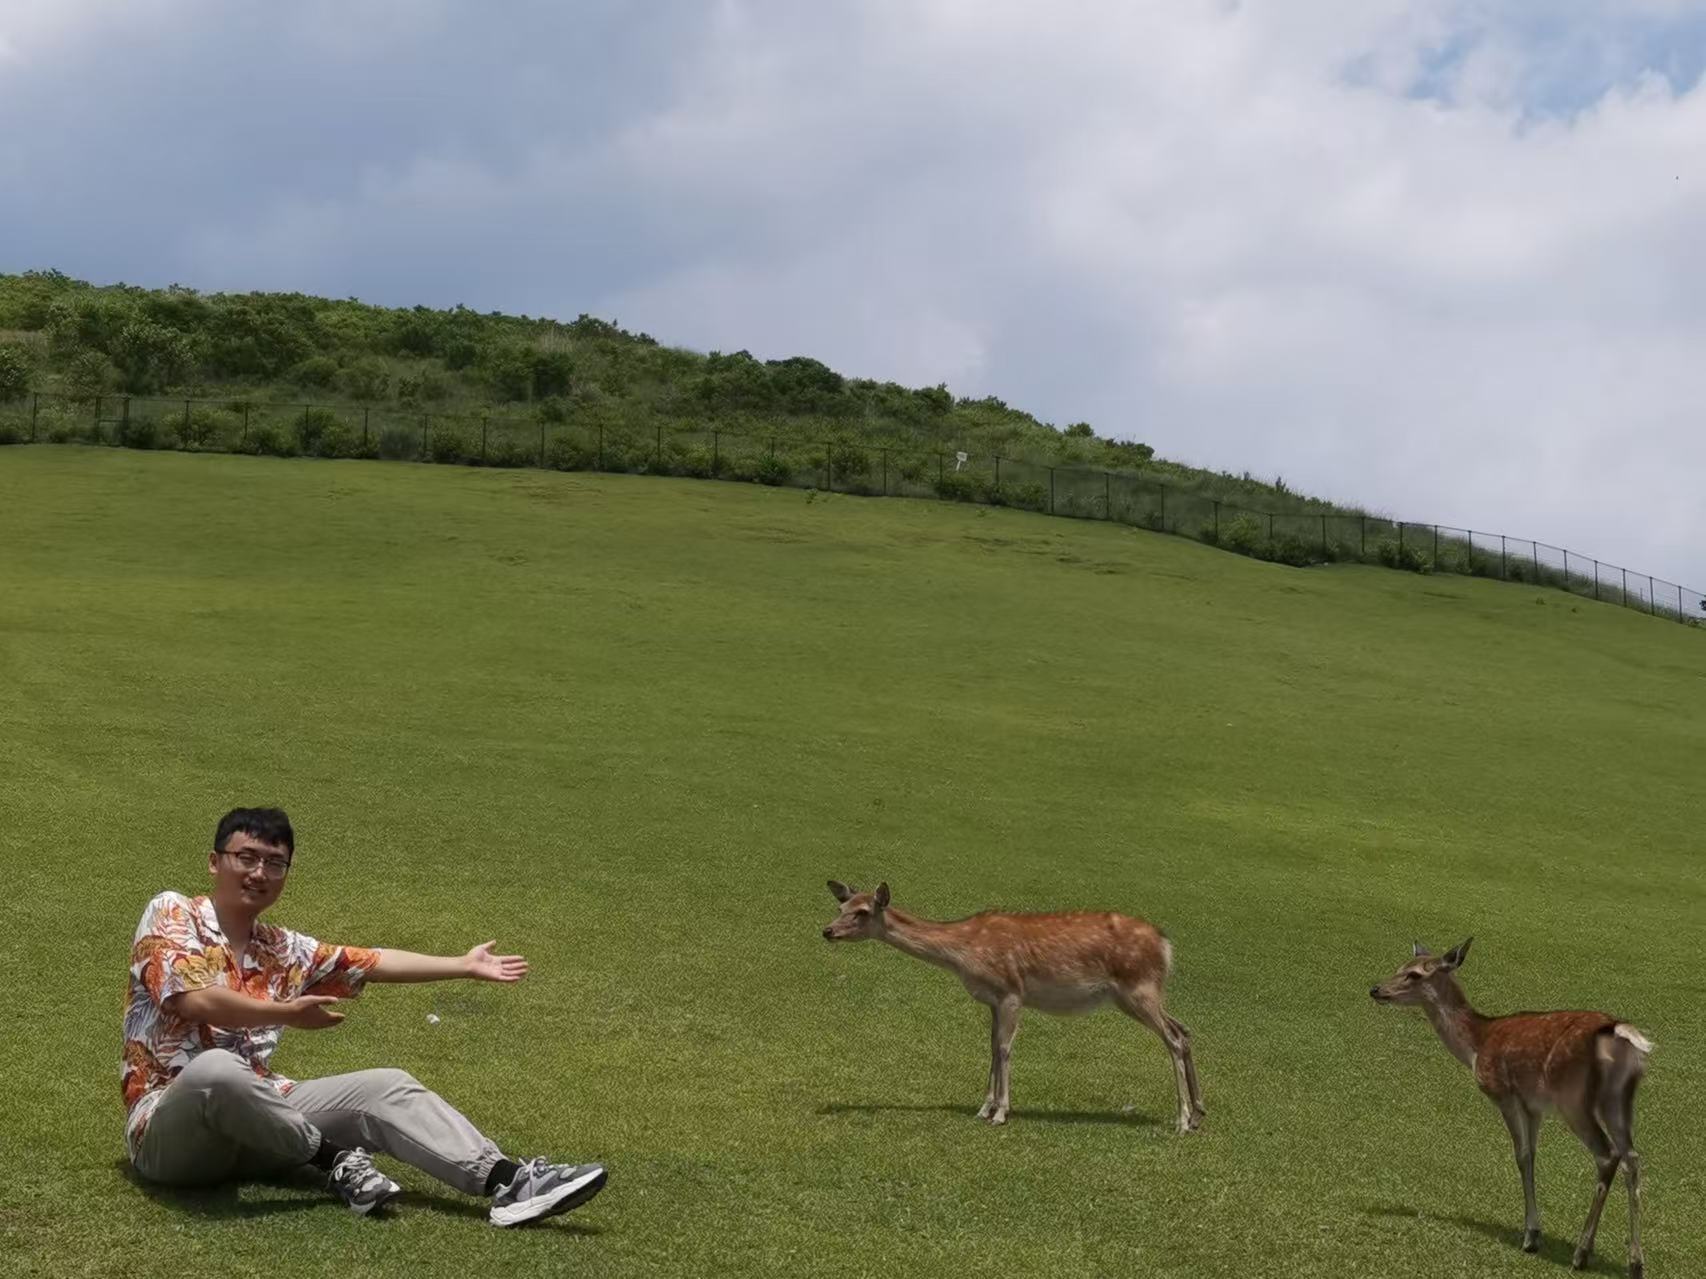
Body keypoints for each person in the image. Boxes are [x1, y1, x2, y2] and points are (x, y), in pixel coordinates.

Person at [122, 806, 606, 1225]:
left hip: (266, 1127)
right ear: (214, 862)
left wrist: (462, 964)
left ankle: (509, 1183)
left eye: (275, 863)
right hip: (173, 1133)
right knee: (217, 1071)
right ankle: (333, 1161)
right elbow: (193, 1000)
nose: (260, 873)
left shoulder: (283, 948)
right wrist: (284, 1013)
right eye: (246, 858)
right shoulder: (172, 912)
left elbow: (370, 960)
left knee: (386, 1085)